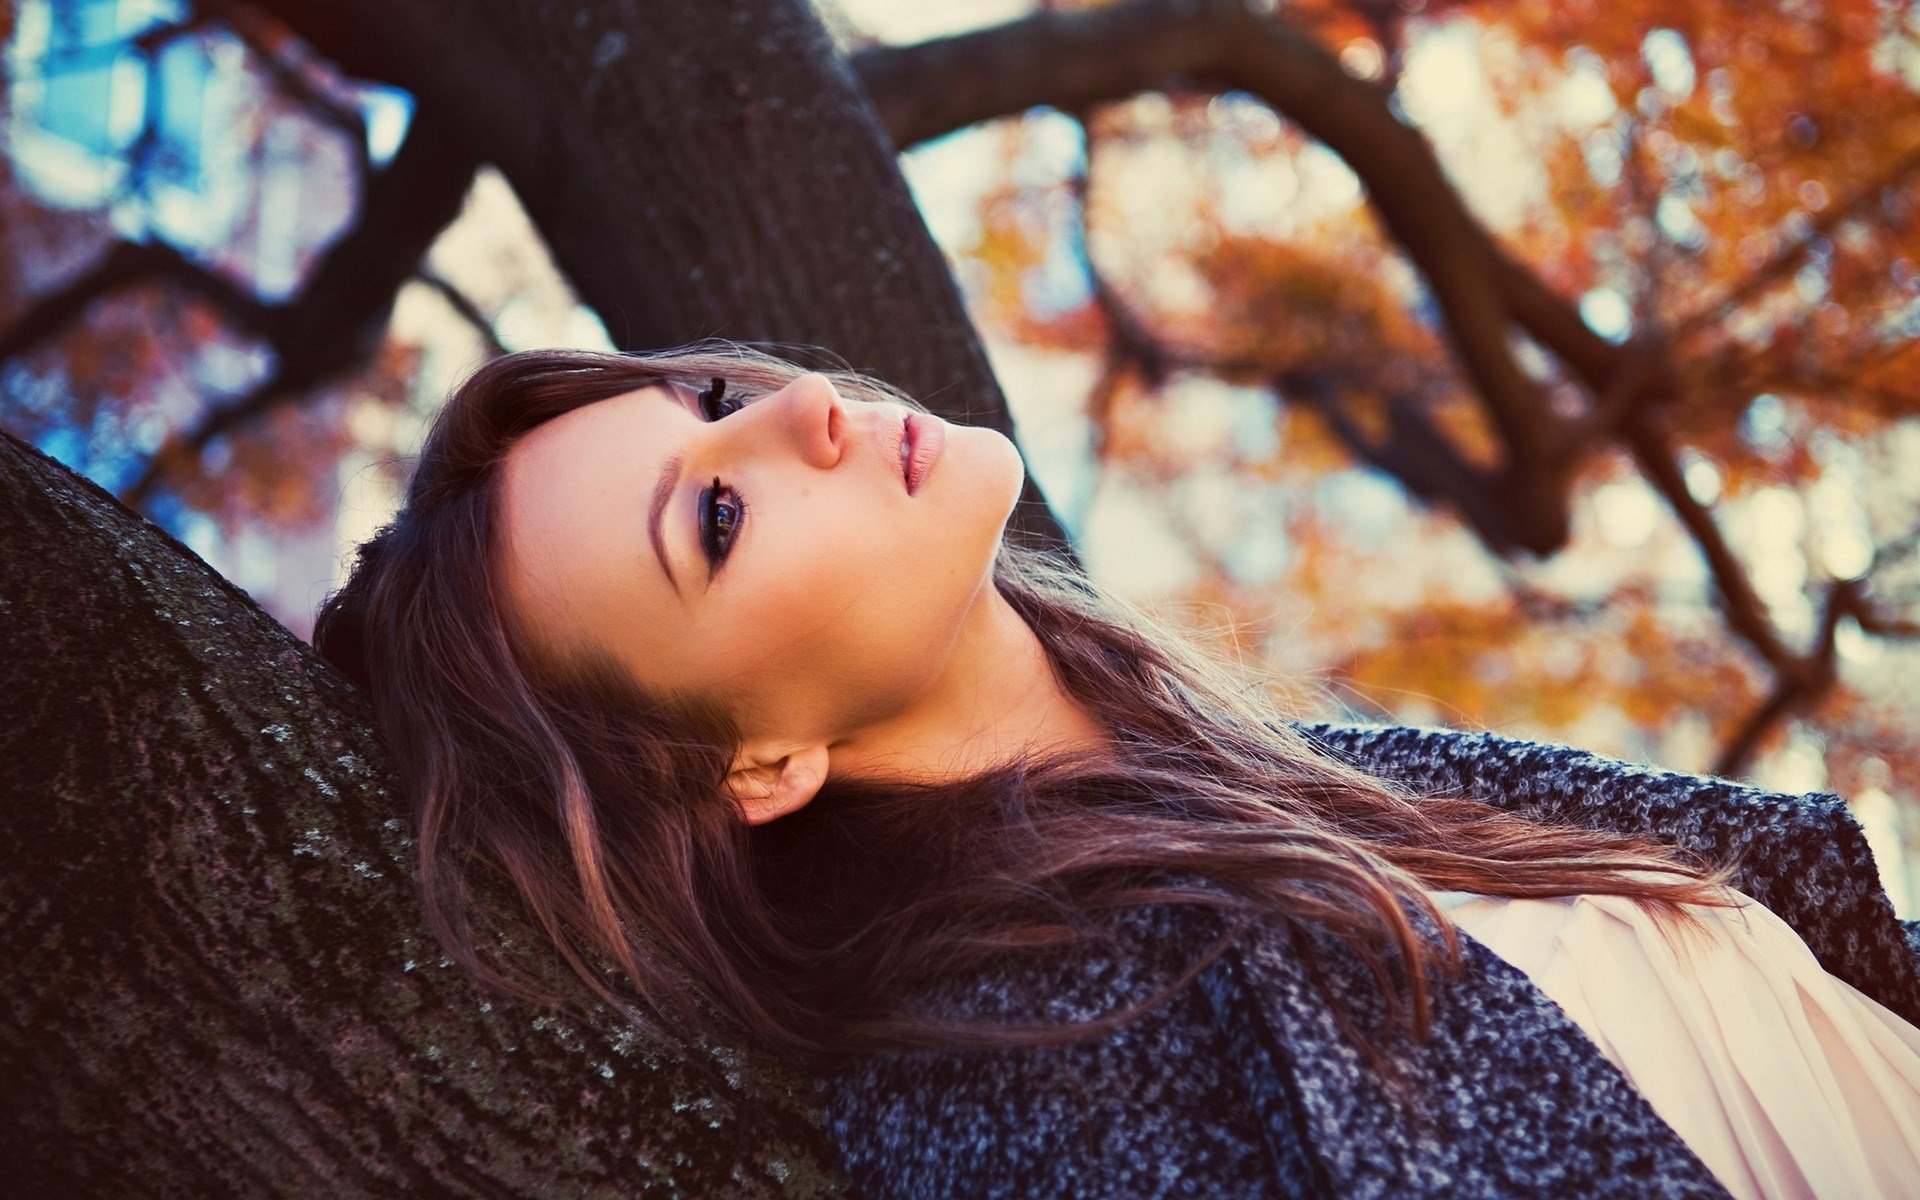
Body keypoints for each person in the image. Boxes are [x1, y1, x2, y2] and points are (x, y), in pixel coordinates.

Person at [313, 341, 1920, 1199]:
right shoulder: (1044, 1085)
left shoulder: (1290, 788)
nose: (801, 407)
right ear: (753, 763)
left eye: (714, 399)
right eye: (712, 521)